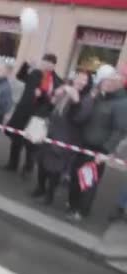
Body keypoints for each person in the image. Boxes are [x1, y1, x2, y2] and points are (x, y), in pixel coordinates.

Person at [67, 66, 127, 222]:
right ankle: (72, 204)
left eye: (110, 81)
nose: (106, 83)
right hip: (83, 144)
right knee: (75, 176)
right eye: (105, 80)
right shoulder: (101, 96)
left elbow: (119, 131)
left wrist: (106, 151)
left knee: (88, 182)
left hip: (98, 151)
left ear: (119, 84)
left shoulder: (122, 103)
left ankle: (81, 210)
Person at [32, 70, 92, 205]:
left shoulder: (86, 99)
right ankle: (40, 187)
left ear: (88, 84)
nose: (80, 81)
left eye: (84, 79)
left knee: (55, 168)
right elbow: (51, 105)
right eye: (78, 77)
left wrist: (76, 101)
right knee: (41, 162)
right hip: (51, 131)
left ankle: (50, 194)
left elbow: (79, 119)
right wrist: (54, 96)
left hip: (66, 137)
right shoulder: (66, 90)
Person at [4, 53, 63, 178]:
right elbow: (20, 76)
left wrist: (42, 95)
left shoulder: (57, 81)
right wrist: (26, 64)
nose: (46, 65)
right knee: (16, 138)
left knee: (31, 143)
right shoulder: (35, 73)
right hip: (24, 111)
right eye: (44, 61)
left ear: (53, 65)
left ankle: (28, 168)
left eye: (49, 63)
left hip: (38, 115)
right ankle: (12, 164)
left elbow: (53, 101)